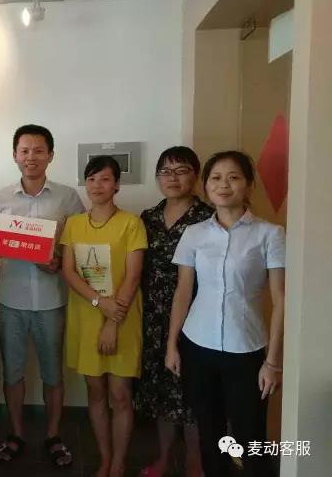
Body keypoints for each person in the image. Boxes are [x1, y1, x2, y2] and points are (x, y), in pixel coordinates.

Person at [166, 151, 285, 477]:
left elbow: (280, 299)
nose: (223, 185)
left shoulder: (269, 234)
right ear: (206, 186)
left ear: (248, 185)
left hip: (246, 349)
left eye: (233, 177)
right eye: (216, 178)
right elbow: (183, 292)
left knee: (251, 438)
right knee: (210, 435)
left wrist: (273, 362)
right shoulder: (194, 233)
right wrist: (172, 345)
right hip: (197, 346)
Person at [0, 124, 85, 467]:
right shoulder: (0, 199)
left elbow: (77, 245)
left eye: (39, 150)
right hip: (9, 299)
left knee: (52, 373)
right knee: (12, 372)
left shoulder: (68, 197)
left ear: (50, 155)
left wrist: (59, 261)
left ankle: (53, 434)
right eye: (24, 150)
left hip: (52, 299)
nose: (31, 157)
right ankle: (16, 434)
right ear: (15, 155)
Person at [60, 156, 147, 477]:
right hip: (86, 317)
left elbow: (133, 277)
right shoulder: (73, 224)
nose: (97, 185)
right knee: (95, 393)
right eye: (92, 179)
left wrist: (112, 321)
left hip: (122, 317)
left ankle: (120, 462)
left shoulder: (131, 224)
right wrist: (99, 302)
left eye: (105, 179)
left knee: (120, 395)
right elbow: (69, 272)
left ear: (117, 185)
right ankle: (105, 459)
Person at [134, 147, 212, 477]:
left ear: (196, 176)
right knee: (160, 392)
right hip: (152, 317)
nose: (173, 178)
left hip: (196, 316)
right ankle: (164, 458)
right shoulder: (148, 217)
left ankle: (195, 462)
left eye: (181, 171)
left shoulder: (208, 217)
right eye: (165, 172)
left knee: (193, 393)